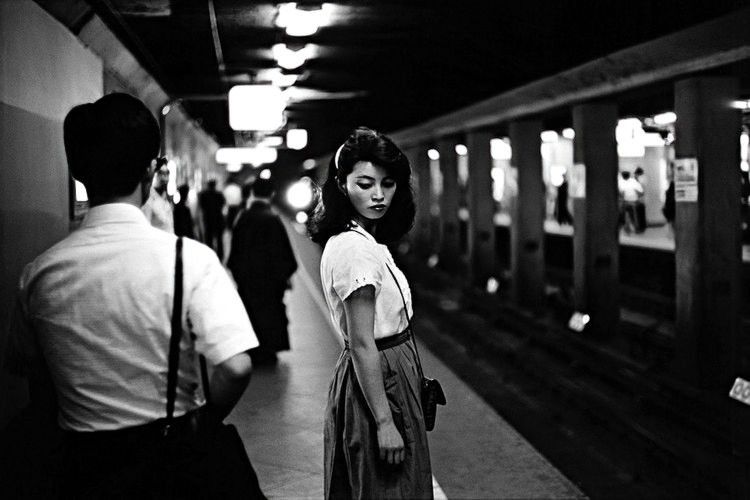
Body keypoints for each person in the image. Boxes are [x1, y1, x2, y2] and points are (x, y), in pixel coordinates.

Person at [6, 93, 259, 497]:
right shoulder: (189, 260)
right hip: (171, 461)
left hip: (82, 468)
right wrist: (204, 422)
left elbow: (33, 373)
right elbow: (236, 368)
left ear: (78, 170)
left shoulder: (38, 274)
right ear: (151, 170)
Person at [307, 126, 433, 498]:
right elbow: (362, 342)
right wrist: (384, 422)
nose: (378, 194)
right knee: (390, 487)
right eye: (365, 184)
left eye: (388, 183)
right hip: (380, 376)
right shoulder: (354, 250)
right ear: (342, 185)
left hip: (387, 371)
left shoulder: (362, 238)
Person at [228, 175, 298, 366]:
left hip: (247, 285)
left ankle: (253, 349)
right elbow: (287, 259)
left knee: (250, 315)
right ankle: (268, 350)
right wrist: (281, 279)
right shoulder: (273, 220)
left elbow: (234, 256)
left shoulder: (242, 219)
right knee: (270, 317)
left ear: (252, 193)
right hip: (270, 287)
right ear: (272, 194)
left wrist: (241, 278)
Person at [141, 156, 174, 232]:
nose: (165, 177)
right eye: (161, 173)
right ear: (154, 174)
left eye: (167, 173)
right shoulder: (148, 199)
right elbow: (146, 228)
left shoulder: (166, 197)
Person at [198, 178, 226, 260]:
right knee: (219, 239)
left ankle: (209, 255)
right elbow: (222, 204)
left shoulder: (203, 195)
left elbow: (202, 206)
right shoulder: (219, 194)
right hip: (218, 219)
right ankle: (220, 256)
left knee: (208, 238)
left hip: (208, 219)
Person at [633, 166, 647, 233]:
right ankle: (640, 228)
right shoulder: (638, 181)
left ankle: (640, 228)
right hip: (639, 201)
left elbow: (642, 192)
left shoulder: (639, 181)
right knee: (640, 215)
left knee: (639, 215)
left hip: (639, 201)